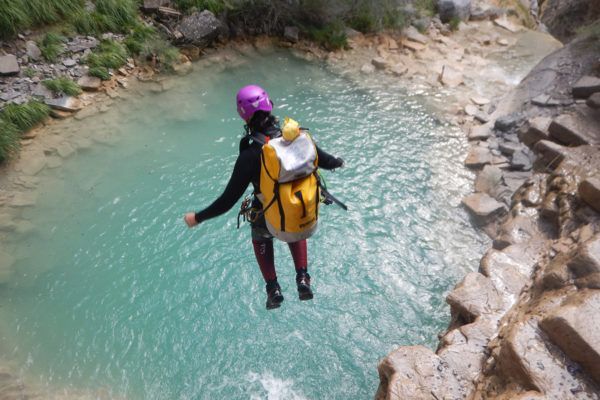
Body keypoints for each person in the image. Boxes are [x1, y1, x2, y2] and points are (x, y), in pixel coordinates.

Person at [184, 85, 344, 310]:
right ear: (270, 105)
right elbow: (326, 161)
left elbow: (227, 201)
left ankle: (273, 288)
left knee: (260, 233)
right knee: (293, 212)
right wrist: (339, 161)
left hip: (267, 218)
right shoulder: (297, 138)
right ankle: (302, 278)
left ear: (244, 116)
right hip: (300, 217)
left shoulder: (250, 155)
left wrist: (198, 217)